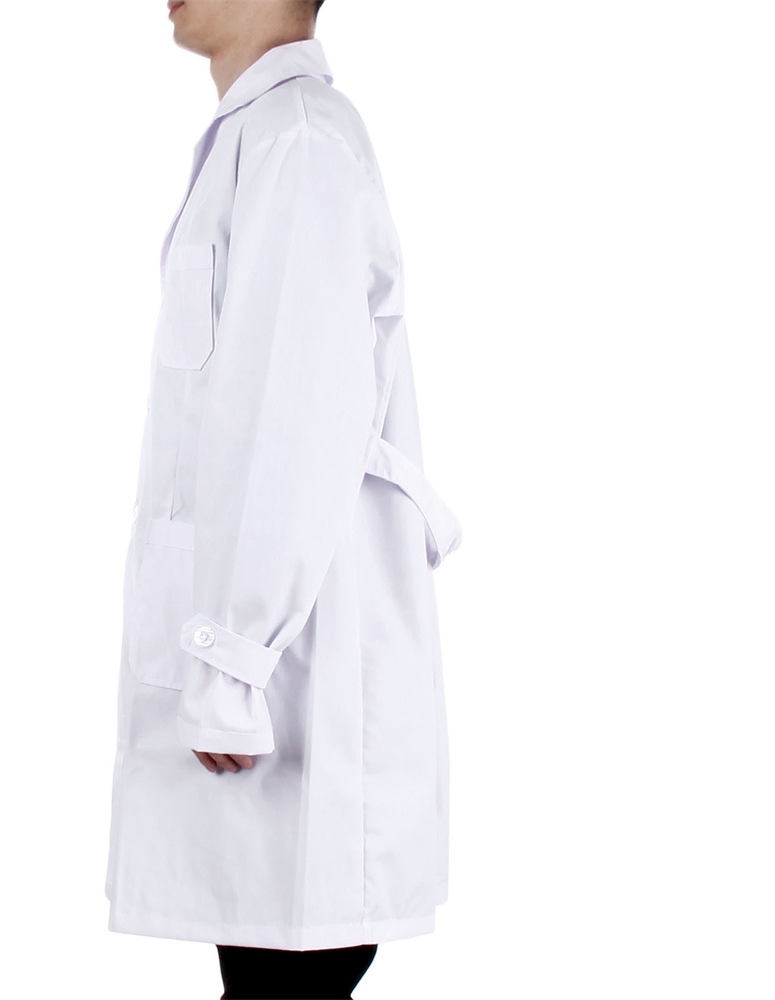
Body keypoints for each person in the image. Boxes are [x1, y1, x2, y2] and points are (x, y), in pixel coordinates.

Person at [105, 2, 462, 997]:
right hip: (264, 669)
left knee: (290, 971)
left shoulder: (298, 141)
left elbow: (292, 420)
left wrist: (232, 660)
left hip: (292, 670)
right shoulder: (260, 137)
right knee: (269, 969)